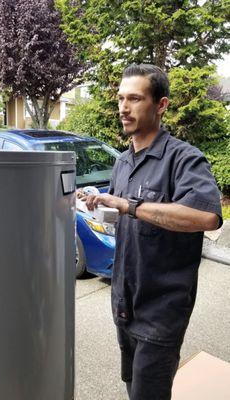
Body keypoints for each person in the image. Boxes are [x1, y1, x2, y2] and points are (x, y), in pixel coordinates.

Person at [78, 64, 222, 400]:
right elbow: (126, 219)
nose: (123, 108)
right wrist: (101, 205)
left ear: (161, 105)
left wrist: (131, 205)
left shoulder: (183, 159)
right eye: (120, 99)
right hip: (124, 304)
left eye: (135, 98)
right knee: (133, 388)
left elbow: (206, 216)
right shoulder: (122, 162)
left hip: (161, 314)